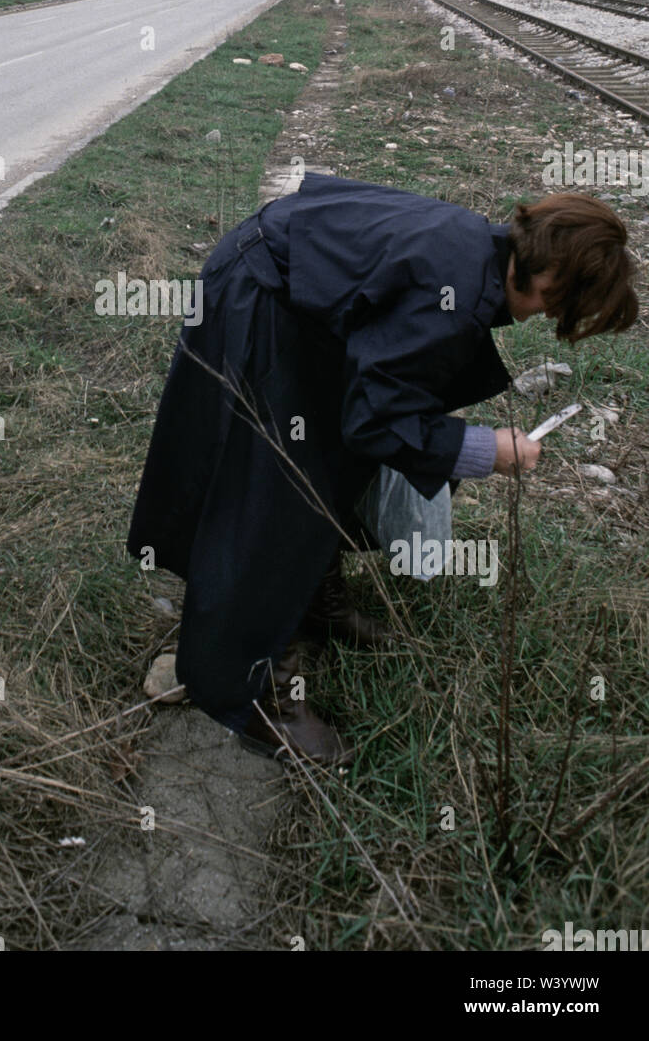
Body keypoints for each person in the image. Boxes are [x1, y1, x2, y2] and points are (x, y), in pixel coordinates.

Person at [127, 175, 638, 766]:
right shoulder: (456, 282)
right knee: (279, 490)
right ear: (550, 277)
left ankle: (318, 601)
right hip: (260, 297)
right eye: (563, 306)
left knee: (331, 460)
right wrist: (484, 451)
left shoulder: (478, 250)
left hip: (289, 291)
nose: (550, 318)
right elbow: (374, 420)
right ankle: (266, 694)